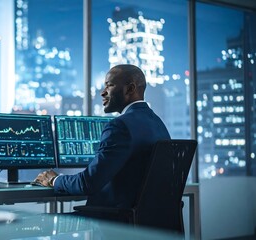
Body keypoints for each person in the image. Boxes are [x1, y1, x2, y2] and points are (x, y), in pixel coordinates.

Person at [34, 64, 171, 208]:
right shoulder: (158, 124)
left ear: (130, 89)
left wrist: (54, 180)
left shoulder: (120, 127)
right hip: (148, 221)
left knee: (44, 224)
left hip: (114, 222)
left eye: (109, 86)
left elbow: (88, 183)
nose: (102, 93)